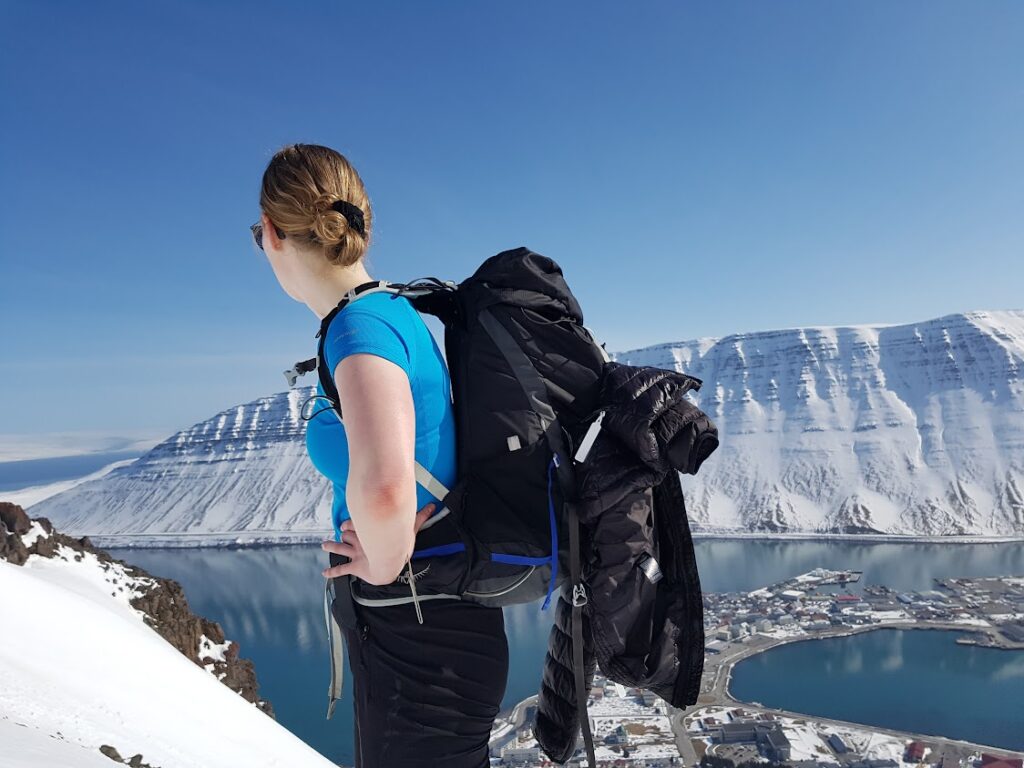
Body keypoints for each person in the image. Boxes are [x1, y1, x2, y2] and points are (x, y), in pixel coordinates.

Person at [252, 143, 509, 768]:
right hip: (436, 629)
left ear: (272, 234)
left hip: (418, 637)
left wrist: (385, 561)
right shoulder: (390, 311)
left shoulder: (358, 330)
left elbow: (388, 486)